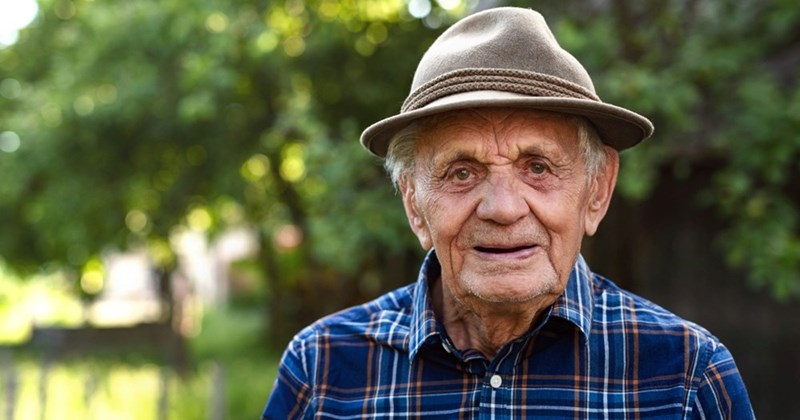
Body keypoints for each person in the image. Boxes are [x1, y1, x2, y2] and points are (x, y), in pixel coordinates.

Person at [262, 7, 754, 419]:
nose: (502, 208)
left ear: (597, 190)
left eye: (537, 167)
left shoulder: (687, 377)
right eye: (461, 172)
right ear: (414, 202)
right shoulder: (322, 369)